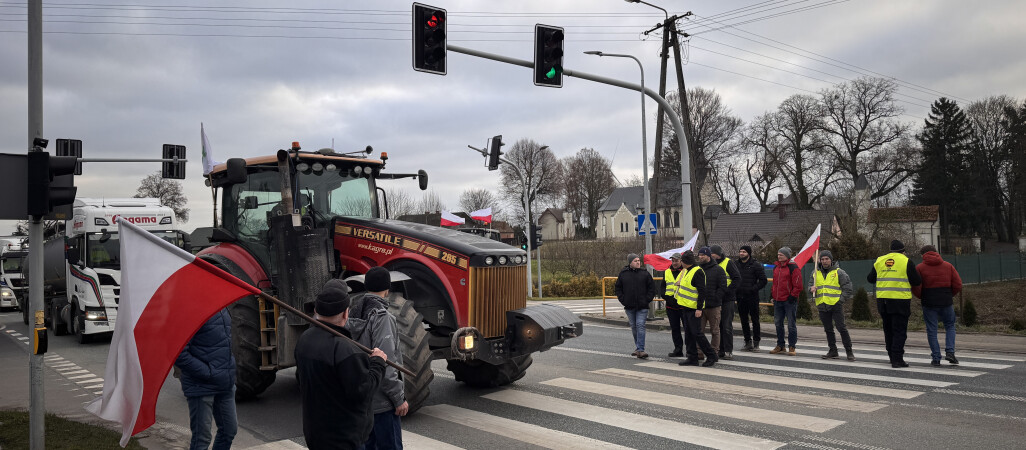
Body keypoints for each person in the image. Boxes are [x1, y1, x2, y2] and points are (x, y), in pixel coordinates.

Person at [296, 279, 389, 449]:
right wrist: (377, 363)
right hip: (343, 439)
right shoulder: (345, 349)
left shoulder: (304, 339)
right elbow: (363, 391)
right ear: (346, 313)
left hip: (316, 434)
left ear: (317, 311)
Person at [345, 267, 408, 449]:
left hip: (364, 399)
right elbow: (386, 361)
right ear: (387, 289)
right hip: (383, 403)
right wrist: (398, 398)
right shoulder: (382, 317)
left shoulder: (353, 313)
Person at [175, 308, 237, 450]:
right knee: (202, 440)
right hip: (201, 386)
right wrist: (208, 372)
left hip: (225, 383)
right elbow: (179, 354)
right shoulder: (190, 311)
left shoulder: (222, 308)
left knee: (229, 431)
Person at [867, 240, 922, 368]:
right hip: (899, 301)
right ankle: (897, 359)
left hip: (883, 301)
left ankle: (891, 356)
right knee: (899, 331)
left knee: (888, 330)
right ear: (903, 251)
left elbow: (870, 279)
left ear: (890, 250)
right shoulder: (906, 261)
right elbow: (917, 281)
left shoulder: (880, 260)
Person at [911, 245, 962, 366]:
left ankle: (936, 357)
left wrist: (922, 296)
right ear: (936, 253)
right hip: (946, 301)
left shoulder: (919, 268)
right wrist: (949, 295)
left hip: (929, 303)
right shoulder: (948, 266)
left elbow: (916, 287)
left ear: (923, 255)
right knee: (950, 326)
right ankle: (950, 352)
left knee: (932, 330)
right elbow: (958, 284)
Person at [808, 250, 856, 361]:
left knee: (841, 328)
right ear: (820, 260)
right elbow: (810, 285)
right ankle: (833, 351)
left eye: (827, 259)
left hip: (835, 305)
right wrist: (811, 289)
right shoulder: (815, 272)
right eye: (822, 259)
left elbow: (848, 288)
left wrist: (840, 301)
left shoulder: (839, 272)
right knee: (828, 329)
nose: (824, 261)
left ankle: (849, 351)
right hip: (822, 305)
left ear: (831, 260)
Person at [676, 250, 719, 367]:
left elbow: (702, 292)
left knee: (697, 334)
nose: (680, 263)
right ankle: (692, 357)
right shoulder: (687, 271)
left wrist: (699, 309)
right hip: (686, 307)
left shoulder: (697, 272)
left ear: (686, 262)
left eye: (681, 261)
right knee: (689, 334)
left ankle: (711, 356)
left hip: (694, 309)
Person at [615, 253, 656, 359]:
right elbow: (618, 288)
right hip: (629, 306)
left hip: (642, 306)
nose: (638, 262)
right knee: (634, 327)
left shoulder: (644, 273)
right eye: (635, 261)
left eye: (639, 260)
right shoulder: (623, 274)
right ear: (630, 263)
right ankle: (638, 347)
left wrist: (647, 300)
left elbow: (652, 288)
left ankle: (641, 349)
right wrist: (624, 300)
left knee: (640, 325)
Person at [710, 245, 741, 360]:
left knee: (726, 325)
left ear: (717, 254)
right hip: (716, 299)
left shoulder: (728, 263)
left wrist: (727, 292)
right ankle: (720, 350)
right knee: (718, 326)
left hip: (727, 299)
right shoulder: (711, 264)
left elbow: (737, 278)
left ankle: (728, 350)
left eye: (712, 254)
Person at [736, 245, 768, 352]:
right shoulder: (736, 265)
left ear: (748, 253)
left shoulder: (755, 265)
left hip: (752, 297)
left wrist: (753, 289)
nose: (741, 253)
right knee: (744, 320)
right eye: (740, 251)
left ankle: (756, 343)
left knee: (755, 320)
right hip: (740, 297)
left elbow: (763, 280)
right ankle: (747, 342)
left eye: (744, 252)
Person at [770, 247, 801, 356]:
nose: (779, 256)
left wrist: (792, 297)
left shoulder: (793, 268)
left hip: (789, 301)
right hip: (778, 300)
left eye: (781, 255)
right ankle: (781, 345)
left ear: (787, 256)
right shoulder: (776, 267)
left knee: (791, 325)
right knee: (778, 324)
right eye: (778, 254)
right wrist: (772, 295)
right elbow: (775, 283)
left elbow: (798, 285)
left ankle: (792, 346)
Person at [696, 247, 726, 360]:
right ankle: (699, 352)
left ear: (708, 256)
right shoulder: (698, 269)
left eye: (702, 255)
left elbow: (723, 287)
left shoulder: (718, 270)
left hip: (714, 306)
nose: (700, 257)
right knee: (699, 330)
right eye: (699, 255)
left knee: (715, 330)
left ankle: (714, 352)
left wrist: (715, 298)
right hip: (700, 306)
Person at [663, 253, 687, 357]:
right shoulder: (667, 272)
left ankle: (690, 350)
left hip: (683, 305)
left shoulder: (686, 271)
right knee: (675, 329)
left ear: (681, 261)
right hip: (671, 306)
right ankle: (678, 349)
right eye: (673, 261)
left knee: (688, 329)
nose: (674, 263)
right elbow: (663, 288)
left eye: (676, 261)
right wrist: (667, 298)